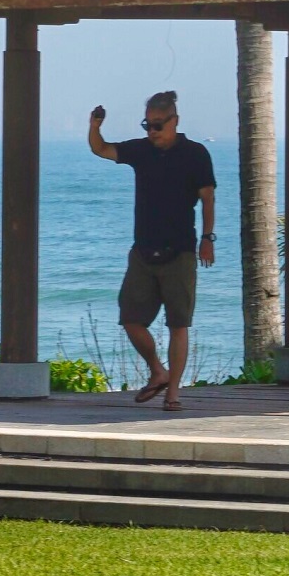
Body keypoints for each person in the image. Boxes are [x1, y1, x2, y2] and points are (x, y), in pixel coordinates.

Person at [87, 90, 216, 410]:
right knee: (130, 319)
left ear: (175, 121)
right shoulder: (141, 150)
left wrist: (207, 239)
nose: (152, 132)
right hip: (143, 251)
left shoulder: (195, 154)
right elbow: (100, 149)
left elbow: (208, 198)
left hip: (181, 251)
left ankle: (173, 393)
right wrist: (94, 125)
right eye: (148, 125)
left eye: (158, 125)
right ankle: (158, 371)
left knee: (178, 324)